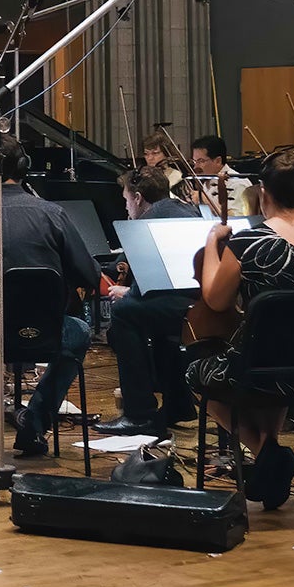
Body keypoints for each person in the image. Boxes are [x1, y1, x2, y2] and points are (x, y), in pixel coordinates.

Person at [0, 135, 99, 457]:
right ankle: (36, 422)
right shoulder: (53, 215)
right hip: (47, 336)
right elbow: (90, 276)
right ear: (24, 167)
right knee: (80, 332)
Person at [188, 147, 294, 509]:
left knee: (197, 374)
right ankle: (269, 455)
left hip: (258, 366)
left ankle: (267, 452)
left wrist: (213, 242)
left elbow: (215, 299)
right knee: (275, 365)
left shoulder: (250, 243)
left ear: (263, 192)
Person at [94, 166, 202, 438]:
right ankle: (179, 405)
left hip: (181, 307)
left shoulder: (147, 221)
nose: (127, 207)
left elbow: (147, 288)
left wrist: (124, 293)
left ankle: (138, 414)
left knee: (124, 314)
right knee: (149, 317)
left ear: (139, 197)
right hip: (203, 305)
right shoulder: (189, 210)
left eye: (126, 200)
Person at [189, 133, 253, 216]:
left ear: (218, 161)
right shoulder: (208, 181)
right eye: (194, 161)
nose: (195, 167)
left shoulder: (237, 183)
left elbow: (236, 219)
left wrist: (206, 201)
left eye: (201, 161)